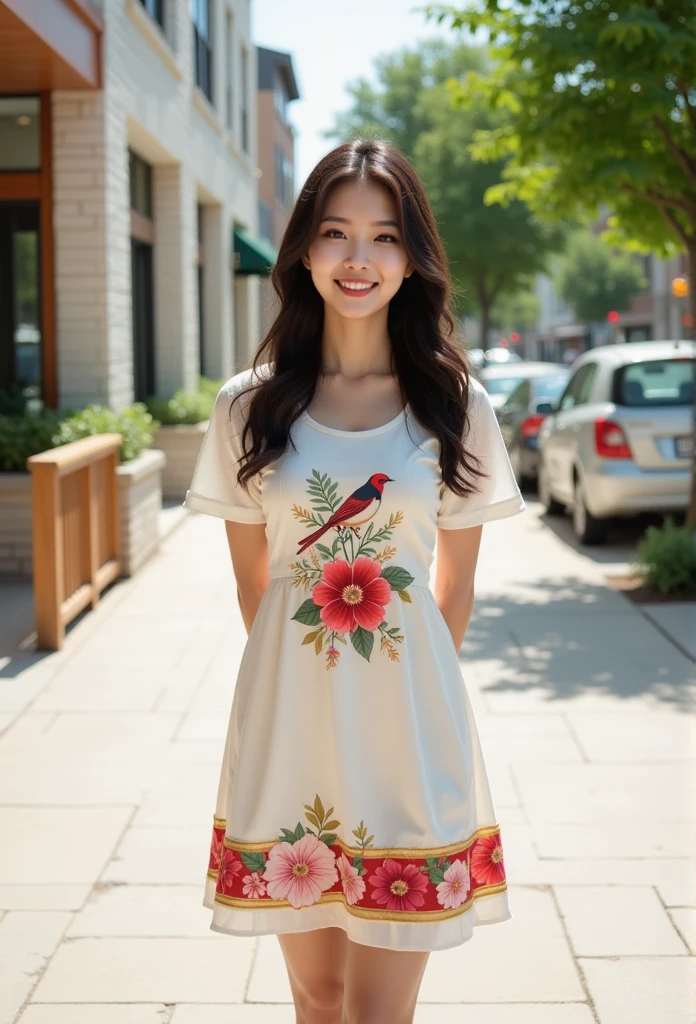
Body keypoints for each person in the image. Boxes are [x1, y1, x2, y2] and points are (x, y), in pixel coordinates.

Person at [184, 138, 525, 1023]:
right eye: (337, 233)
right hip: (291, 728)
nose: (359, 259)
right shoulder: (247, 407)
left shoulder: (457, 407)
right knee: (317, 995)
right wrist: (310, 682)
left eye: (383, 236)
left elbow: (455, 587)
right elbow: (252, 582)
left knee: (377, 1009)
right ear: (304, 248)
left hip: (407, 735)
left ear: (412, 257)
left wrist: (403, 692)